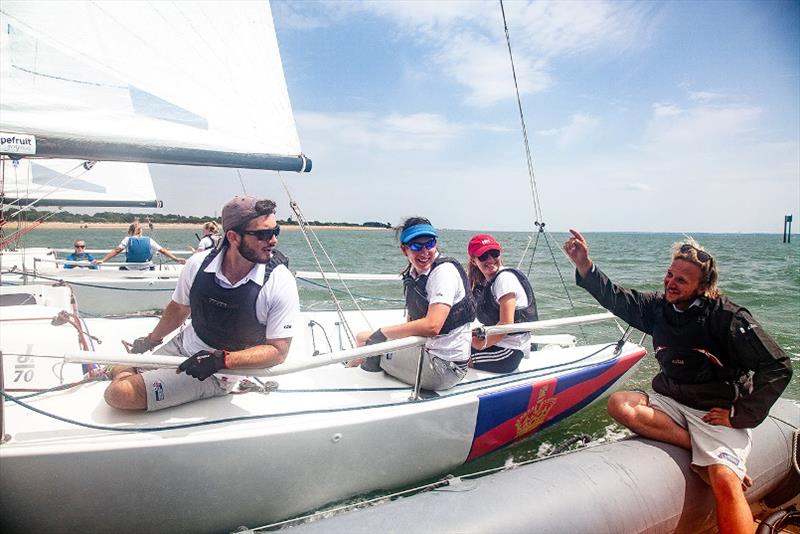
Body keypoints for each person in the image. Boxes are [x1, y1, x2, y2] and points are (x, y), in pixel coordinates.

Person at [563, 229, 792, 534]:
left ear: (703, 288)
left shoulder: (727, 317)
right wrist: (585, 267)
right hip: (670, 399)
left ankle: (718, 460)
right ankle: (696, 447)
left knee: (724, 481)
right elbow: (618, 298)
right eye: (670, 274)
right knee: (621, 404)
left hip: (714, 413)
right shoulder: (658, 308)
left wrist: (739, 415)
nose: (670, 283)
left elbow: (777, 366)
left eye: (681, 280)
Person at [103, 196, 300, 411]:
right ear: (233, 237)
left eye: (275, 231)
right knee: (124, 364)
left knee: (119, 394)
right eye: (263, 234)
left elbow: (278, 351)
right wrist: (151, 340)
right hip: (183, 345)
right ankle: (126, 372)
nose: (273, 240)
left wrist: (220, 360)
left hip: (219, 371)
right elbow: (179, 308)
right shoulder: (198, 264)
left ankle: (124, 375)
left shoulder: (279, 281)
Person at [349, 217, 476, 391]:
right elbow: (413, 321)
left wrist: (382, 333)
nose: (424, 252)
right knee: (362, 337)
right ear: (404, 249)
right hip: (429, 352)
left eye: (429, 244)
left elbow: (433, 326)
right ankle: (351, 367)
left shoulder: (443, 273)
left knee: (369, 344)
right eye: (416, 246)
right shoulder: (415, 274)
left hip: (444, 368)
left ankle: (353, 380)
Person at [467, 234, 538, 373]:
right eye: (483, 256)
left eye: (494, 253)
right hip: (498, 344)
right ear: (474, 261)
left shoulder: (504, 279)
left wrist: (480, 344)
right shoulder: (489, 282)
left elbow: (506, 325)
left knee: (456, 357)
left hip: (509, 351)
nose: (490, 259)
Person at [98, 221, 185, 270]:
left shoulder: (127, 239)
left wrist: (103, 260)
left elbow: (116, 251)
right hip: (146, 268)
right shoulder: (149, 240)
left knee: (121, 268)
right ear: (141, 231)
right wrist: (176, 259)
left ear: (130, 232)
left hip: (130, 268)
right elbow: (163, 250)